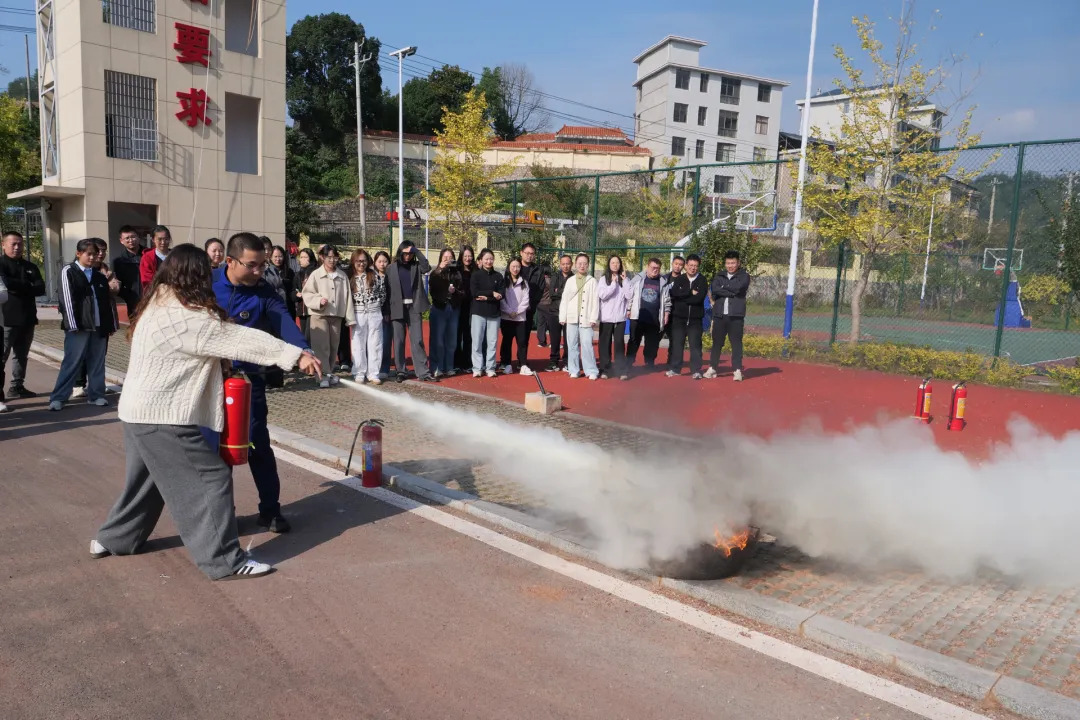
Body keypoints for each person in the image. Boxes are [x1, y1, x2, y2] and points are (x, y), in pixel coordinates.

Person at [90, 244, 321, 580]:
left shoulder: (158, 301)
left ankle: (114, 539)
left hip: (136, 412)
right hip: (164, 417)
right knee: (211, 479)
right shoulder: (190, 319)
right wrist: (295, 355)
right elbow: (238, 338)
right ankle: (224, 561)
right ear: (196, 276)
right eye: (205, 271)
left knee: (147, 483)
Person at [213, 232, 318, 533]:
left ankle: (270, 510)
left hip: (248, 384)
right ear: (230, 261)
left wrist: (304, 351)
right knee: (214, 450)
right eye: (252, 265)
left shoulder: (264, 293)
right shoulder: (206, 286)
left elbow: (285, 322)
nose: (259, 271)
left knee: (258, 443)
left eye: (262, 265)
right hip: (208, 382)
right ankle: (222, 515)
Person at [47, 239, 118, 410]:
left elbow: (107, 303)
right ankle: (59, 398)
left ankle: (96, 395)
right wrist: (72, 324)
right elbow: (67, 299)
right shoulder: (68, 271)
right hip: (79, 326)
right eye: (89, 254)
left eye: (95, 254)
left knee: (97, 362)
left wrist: (111, 325)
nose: (93, 257)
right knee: (72, 362)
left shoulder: (99, 276)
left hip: (99, 326)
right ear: (79, 254)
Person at [72, 239, 121, 400]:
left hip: (104, 318)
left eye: (103, 251)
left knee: (100, 354)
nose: (100, 254)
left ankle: (97, 385)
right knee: (82, 353)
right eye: (96, 251)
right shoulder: (76, 271)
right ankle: (78, 384)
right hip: (85, 320)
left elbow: (115, 289)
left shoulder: (106, 271)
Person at [1, 231, 46, 405]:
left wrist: (18, 286)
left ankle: (17, 386)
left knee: (21, 355)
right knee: (2, 356)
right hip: (6, 319)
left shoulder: (30, 266)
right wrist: (28, 284)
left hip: (27, 318)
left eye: (20, 244)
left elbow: (41, 289)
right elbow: (5, 284)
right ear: (3, 245)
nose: (17, 247)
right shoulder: (1, 264)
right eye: (13, 244)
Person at [302, 244, 355, 388]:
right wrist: (319, 301)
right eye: (329, 257)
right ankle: (322, 376)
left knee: (333, 346)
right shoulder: (315, 274)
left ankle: (329, 372)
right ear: (322, 257)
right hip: (319, 315)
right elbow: (307, 294)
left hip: (336, 315)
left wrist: (350, 317)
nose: (332, 260)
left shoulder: (342, 276)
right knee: (321, 347)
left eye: (334, 257)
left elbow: (348, 297)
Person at [386, 240, 434, 382]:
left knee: (418, 340)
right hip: (397, 308)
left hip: (414, 307)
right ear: (400, 252)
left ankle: (423, 372)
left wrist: (417, 251)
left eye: (410, 254)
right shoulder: (391, 268)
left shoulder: (416, 266)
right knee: (399, 341)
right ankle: (401, 370)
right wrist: (387, 311)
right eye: (405, 253)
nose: (408, 257)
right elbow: (387, 290)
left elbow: (427, 268)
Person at [706, 250, 751, 382]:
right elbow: (715, 289)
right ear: (725, 264)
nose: (730, 265)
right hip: (719, 315)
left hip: (735, 316)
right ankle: (712, 368)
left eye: (733, 263)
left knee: (736, 343)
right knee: (717, 343)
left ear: (738, 263)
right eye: (728, 263)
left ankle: (737, 370)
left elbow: (738, 288)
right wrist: (730, 290)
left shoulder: (744, 276)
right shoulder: (719, 275)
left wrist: (724, 289)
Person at [559, 253, 600, 381]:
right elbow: (565, 299)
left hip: (586, 318)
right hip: (571, 318)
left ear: (588, 265)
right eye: (580, 263)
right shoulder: (570, 280)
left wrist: (593, 318)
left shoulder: (592, 281)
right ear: (575, 265)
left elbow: (595, 301)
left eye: (585, 263)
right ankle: (574, 369)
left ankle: (591, 370)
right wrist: (562, 316)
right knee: (572, 345)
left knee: (587, 344)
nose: (582, 266)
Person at [666, 254, 708, 379]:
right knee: (677, 345)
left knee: (695, 346)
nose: (693, 268)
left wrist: (683, 297)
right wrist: (690, 293)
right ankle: (675, 369)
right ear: (686, 266)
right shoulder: (680, 279)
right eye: (690, 265)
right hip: (679, 319)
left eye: (695, 266)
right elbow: (674, 293)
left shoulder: (702, 280)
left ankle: (696, 370)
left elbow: (698, 299)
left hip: (695, 320)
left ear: (698, 267)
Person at [348, 248, 385, 385]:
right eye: (358, 261)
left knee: (375, 344)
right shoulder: (350, 277)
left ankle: (373, 373)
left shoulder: (375, 275)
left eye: (363, 261)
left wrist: (375, 305)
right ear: (353, 261)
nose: (361, 264)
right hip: (357, 314)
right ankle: (359, 371)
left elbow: (383, 294)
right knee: (358, 344)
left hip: (374, 313)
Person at [627, 258, 670, 373]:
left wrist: (666, 313)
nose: (655, 270)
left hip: (655, 318)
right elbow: (630, 294)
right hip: (638, 317)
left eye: (657, 268)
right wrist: (628, 308)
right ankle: (629, 362)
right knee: (634, 340)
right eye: (653, 268)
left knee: (652, 342)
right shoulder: (638, 279)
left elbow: (667, 300)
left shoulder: (663, 282)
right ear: (647, 267)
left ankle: (649, 362)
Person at [596, 255, 634, 380]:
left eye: (617, 262)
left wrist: (625, 281)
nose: (615, 265)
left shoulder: (625, 279)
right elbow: (602, 295)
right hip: (606, 318)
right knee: (605, 344)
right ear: (609, 264)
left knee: (619, 344)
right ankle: (605, 369)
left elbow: (629, 296)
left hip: (620, 318)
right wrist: (613, 284)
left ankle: (621, 370)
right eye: (613, 262)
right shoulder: (603, 279)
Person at [428, 248, 464, 378]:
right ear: (441, 258)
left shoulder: (457, 274)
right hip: (439, 308)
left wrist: (455, 292)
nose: (448, 260)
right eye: (445, 257)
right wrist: (440, 269)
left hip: (453, 308)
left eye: (450, 257)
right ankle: (436, 367)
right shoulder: (436, 273)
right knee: (438, 340)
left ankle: (449, 366)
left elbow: (462, 292)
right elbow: (432, 288)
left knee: (452, 341)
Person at [469, 248, 504, 378]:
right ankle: (477, 368)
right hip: (478, 312)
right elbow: (475, 293)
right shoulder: (476, 275)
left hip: (494, 313)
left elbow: (502, 294)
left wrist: (488, 297)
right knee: (477, 341)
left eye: (491, 259)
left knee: (492, 342)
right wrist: (491, 293)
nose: (489, 261)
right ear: (481, 260)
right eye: (486, 259)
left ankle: (490, 367)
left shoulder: (498, 276)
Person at [537, 254, 572, 372]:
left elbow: (573, 294)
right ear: (560, 264)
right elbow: (552, 293)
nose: (565, 266)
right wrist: (566, 291)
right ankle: (554, 361)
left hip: (569, 313)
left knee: (568, 340)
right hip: (554, 312)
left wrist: (560, 291)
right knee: (555, 339)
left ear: (571, 264)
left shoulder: (574, 277)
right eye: (563, 264)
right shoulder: (555, 276)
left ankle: (567, 361)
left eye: (568, 263)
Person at [499, 256, 533, 376]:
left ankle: (523, 365)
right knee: (507, 342)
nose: (515, 269)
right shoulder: (504, 282)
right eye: (513, 266)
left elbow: (526, 300)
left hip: (520, 318)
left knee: (522, 342)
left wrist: (517, 312)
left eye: (518, 266)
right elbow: (501, 299)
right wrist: (509, 311)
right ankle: (507, 364)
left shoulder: (524, 283)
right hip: (506, 317)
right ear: (509, 268)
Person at [518, 242, 544, 358]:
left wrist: (531, 304)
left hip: (528, 309)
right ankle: (506, 362)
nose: (529, 256)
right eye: (527, 253)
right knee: (508, 337)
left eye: (532, 254)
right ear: (521, 253)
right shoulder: (514, 266)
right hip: (512, 309)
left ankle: (522, 361)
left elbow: (540, 289)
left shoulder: (538, 271)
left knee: (524, 338)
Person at [454, 246, 477, 373]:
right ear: (461, 257)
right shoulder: (457, 270)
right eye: (465, 256)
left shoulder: (476, 270)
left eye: (470, 256)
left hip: (471, 307)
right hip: (458, 306)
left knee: (469, 336)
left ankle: (467, 362)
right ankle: (456, 362)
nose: (468, 258)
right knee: (457, 335)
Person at [113, 225, 144, 316]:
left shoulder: (149, 255)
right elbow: (119, 282)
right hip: (133, 302)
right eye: (127, 238)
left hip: (152, 298)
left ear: (138, 237)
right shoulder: (119, 261)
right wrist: (128, 296)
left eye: (133, 237)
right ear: (121, 241)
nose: (131, 240)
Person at [372, 251, 394, 378]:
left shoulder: (391, 277)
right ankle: (373, 367)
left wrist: (387, 312)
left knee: (385, 342)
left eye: (385, 261)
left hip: (387, 314)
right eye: (379, 261)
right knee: (374, 342)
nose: (382, 264)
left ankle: (384, 368)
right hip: (373, 313)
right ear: (375, 262)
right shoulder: (371, 277)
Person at [293, 248, 317, 342]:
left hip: (312, 310)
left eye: (304, 257)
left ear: (310, 258)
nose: (301, 259)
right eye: (301, 257)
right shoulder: (299, 274)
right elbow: (293, 290)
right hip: (301, 309)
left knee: (311, 337)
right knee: (304, 336)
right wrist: (296, 294)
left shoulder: (315, 272)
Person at [270, 245, 296, 318]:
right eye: (275, 256)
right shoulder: (267, 272)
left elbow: (293, 289)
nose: (278, 259)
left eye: (280, 256)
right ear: (270, 257)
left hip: (288, 307)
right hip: (273, 307)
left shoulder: (289, 272)